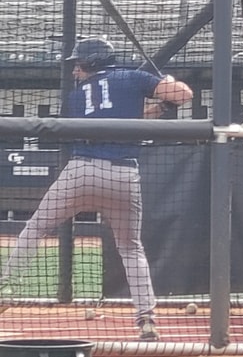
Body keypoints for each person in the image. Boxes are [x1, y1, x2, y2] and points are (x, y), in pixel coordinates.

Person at [0, 37, 194, 341]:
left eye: (79, 64)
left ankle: (3, 289)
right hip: (123, 176)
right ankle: (146, 319)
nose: (76, 70)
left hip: (81, 172)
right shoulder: (133, 76)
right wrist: (169, 87)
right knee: (131, 248)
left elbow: (120, 118)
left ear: (92, 63)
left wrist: (159, 106)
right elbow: (184, 95)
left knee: (35, 228)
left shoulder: (76, 97)